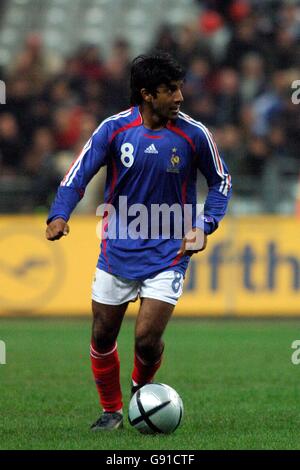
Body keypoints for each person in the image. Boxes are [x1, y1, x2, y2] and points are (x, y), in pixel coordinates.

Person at [46, 52, 232, 431]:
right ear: (147, 94)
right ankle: (111, 410)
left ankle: (141, 395)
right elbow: (78, 173)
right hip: (117, 247)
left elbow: (221, 181)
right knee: (102, 332)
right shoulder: (114, 129)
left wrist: (206, 224)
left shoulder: (194, 133)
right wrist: (59, 213)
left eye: (179, 88)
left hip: (169, 250)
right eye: (170, 90)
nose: (180, 96)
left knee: (147, 338)